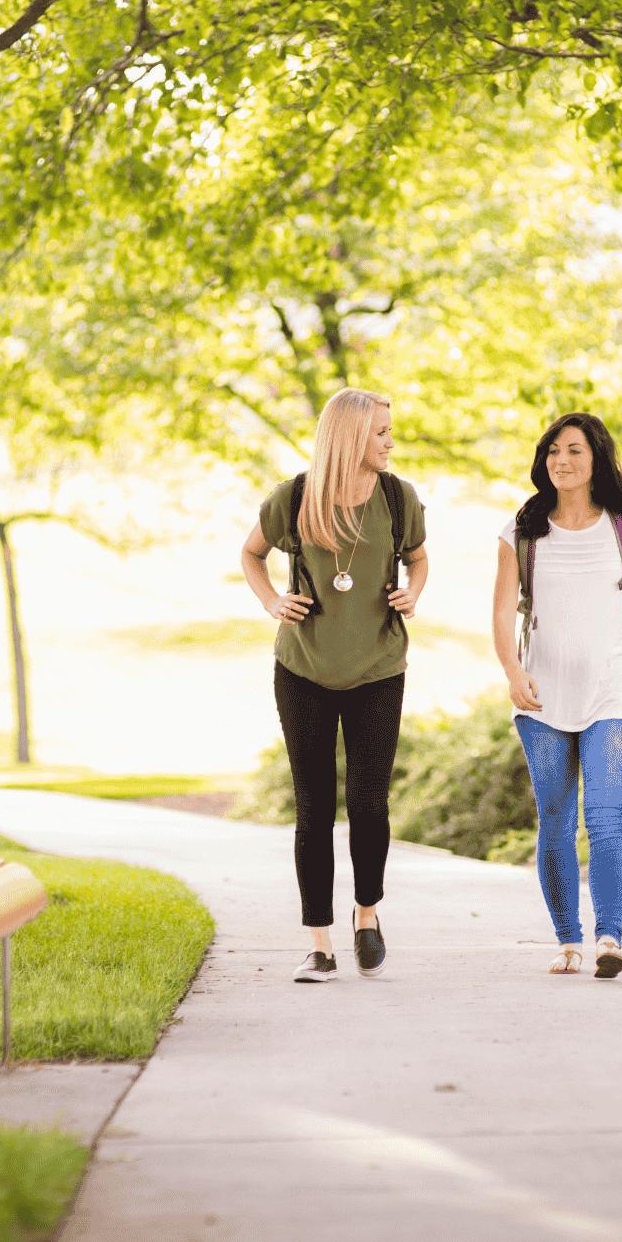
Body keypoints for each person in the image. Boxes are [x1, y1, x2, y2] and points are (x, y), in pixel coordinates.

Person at [241, 389, 428, 983]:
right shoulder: (295, 497)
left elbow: (419, 559)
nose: (390, 443)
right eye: (380, 434)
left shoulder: (398, 498)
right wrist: (273, 599)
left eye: (389, 432)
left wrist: (412, 592)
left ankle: (366, 915)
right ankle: (319, 943)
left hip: (378, 669)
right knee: (314, 807)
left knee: (370, 804)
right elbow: (251, 554)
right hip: (303, 671)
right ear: (350, 438)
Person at [492, 413, 622, 979]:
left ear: (596, 458)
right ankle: (568, 940)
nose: (562, 461)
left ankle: (609, 938)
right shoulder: (521, 532)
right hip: (542, 698)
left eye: (574, 450)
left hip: (611, 694)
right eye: (553, 451)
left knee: (605, 816)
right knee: (555, 819)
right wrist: (512, 670)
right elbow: (503, 613)